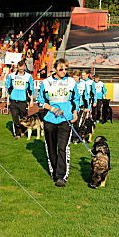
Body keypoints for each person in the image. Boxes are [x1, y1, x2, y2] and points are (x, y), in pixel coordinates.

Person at [37, 58, 79, 187]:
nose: (64, 71)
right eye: (61, 69)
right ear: (55, 69)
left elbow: (76, 98)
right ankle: (54, 172)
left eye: (66, 69)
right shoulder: (46, 82)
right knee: (51, 148)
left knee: (62, 147)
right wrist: (53, 109)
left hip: (65, 120)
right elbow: (40, 101)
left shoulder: (71, 82)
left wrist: (75, 112)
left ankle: (61, 176)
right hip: (50, 120)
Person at [5, 60, 34, 139]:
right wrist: (8, 100)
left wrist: (31, 100)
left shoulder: (28, 77)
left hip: (23, 101)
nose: (21, 70)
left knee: (24, 117)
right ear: (17, 67)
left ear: (24, 67)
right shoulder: (12, 76)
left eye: (22, 69)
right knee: (15, 118)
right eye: (19, 69)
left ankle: (22, 131)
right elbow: (9, 88)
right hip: (13, 101)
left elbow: (31, 89)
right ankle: (17, 134)